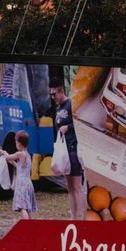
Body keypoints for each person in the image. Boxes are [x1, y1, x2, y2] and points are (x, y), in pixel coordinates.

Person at [52, 84, 86, 219]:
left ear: (61, 91)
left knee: (77, 186)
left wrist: (68, 127)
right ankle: (73, 217)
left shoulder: (71, 104)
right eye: (51, 95)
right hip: (63, 152)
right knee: (69, 187)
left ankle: (84, 217)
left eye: (54, 94)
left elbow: (81, 122)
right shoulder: (58, 108)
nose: (53, 97)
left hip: (73, 148)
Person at [4, 132, 38, 222]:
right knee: (27, 208)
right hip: (28, 183)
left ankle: (26, 226)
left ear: (19, 143)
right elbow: (21, 167)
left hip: (21, 184)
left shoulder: (19, 154)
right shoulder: (27, 155)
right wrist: (13, 163)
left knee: (23, 208)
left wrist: (4, 152)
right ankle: (30, 226)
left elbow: (7, 157)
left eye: (16, 142)